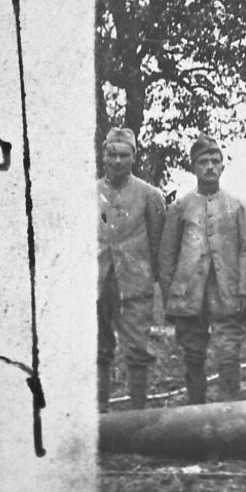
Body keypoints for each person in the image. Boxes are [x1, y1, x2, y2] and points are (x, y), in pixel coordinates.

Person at [158, 134, 246, 404]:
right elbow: (167, 256)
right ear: (194, 167)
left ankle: (229, 418)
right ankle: (196, 418)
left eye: (216, 161)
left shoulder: (236, 206)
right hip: (190, 295)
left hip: (226, 294)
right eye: (204, 161)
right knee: (193, 355)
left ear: (223, 167)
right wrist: (172, 298)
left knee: (229, 353)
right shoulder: (180, 207)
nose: (210, 166)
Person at [96, 127, 166, 411]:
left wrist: (146, 275)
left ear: (133, 157)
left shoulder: (150, 195)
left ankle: (139, 419)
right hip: (97, 284)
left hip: (134, 284)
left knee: (138, 350)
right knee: (98, 350)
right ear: (103, 154)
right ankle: (99, 415)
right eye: (111, 154)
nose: (116, 161)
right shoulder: (88, 193)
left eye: (124, 155)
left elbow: (158, 244)